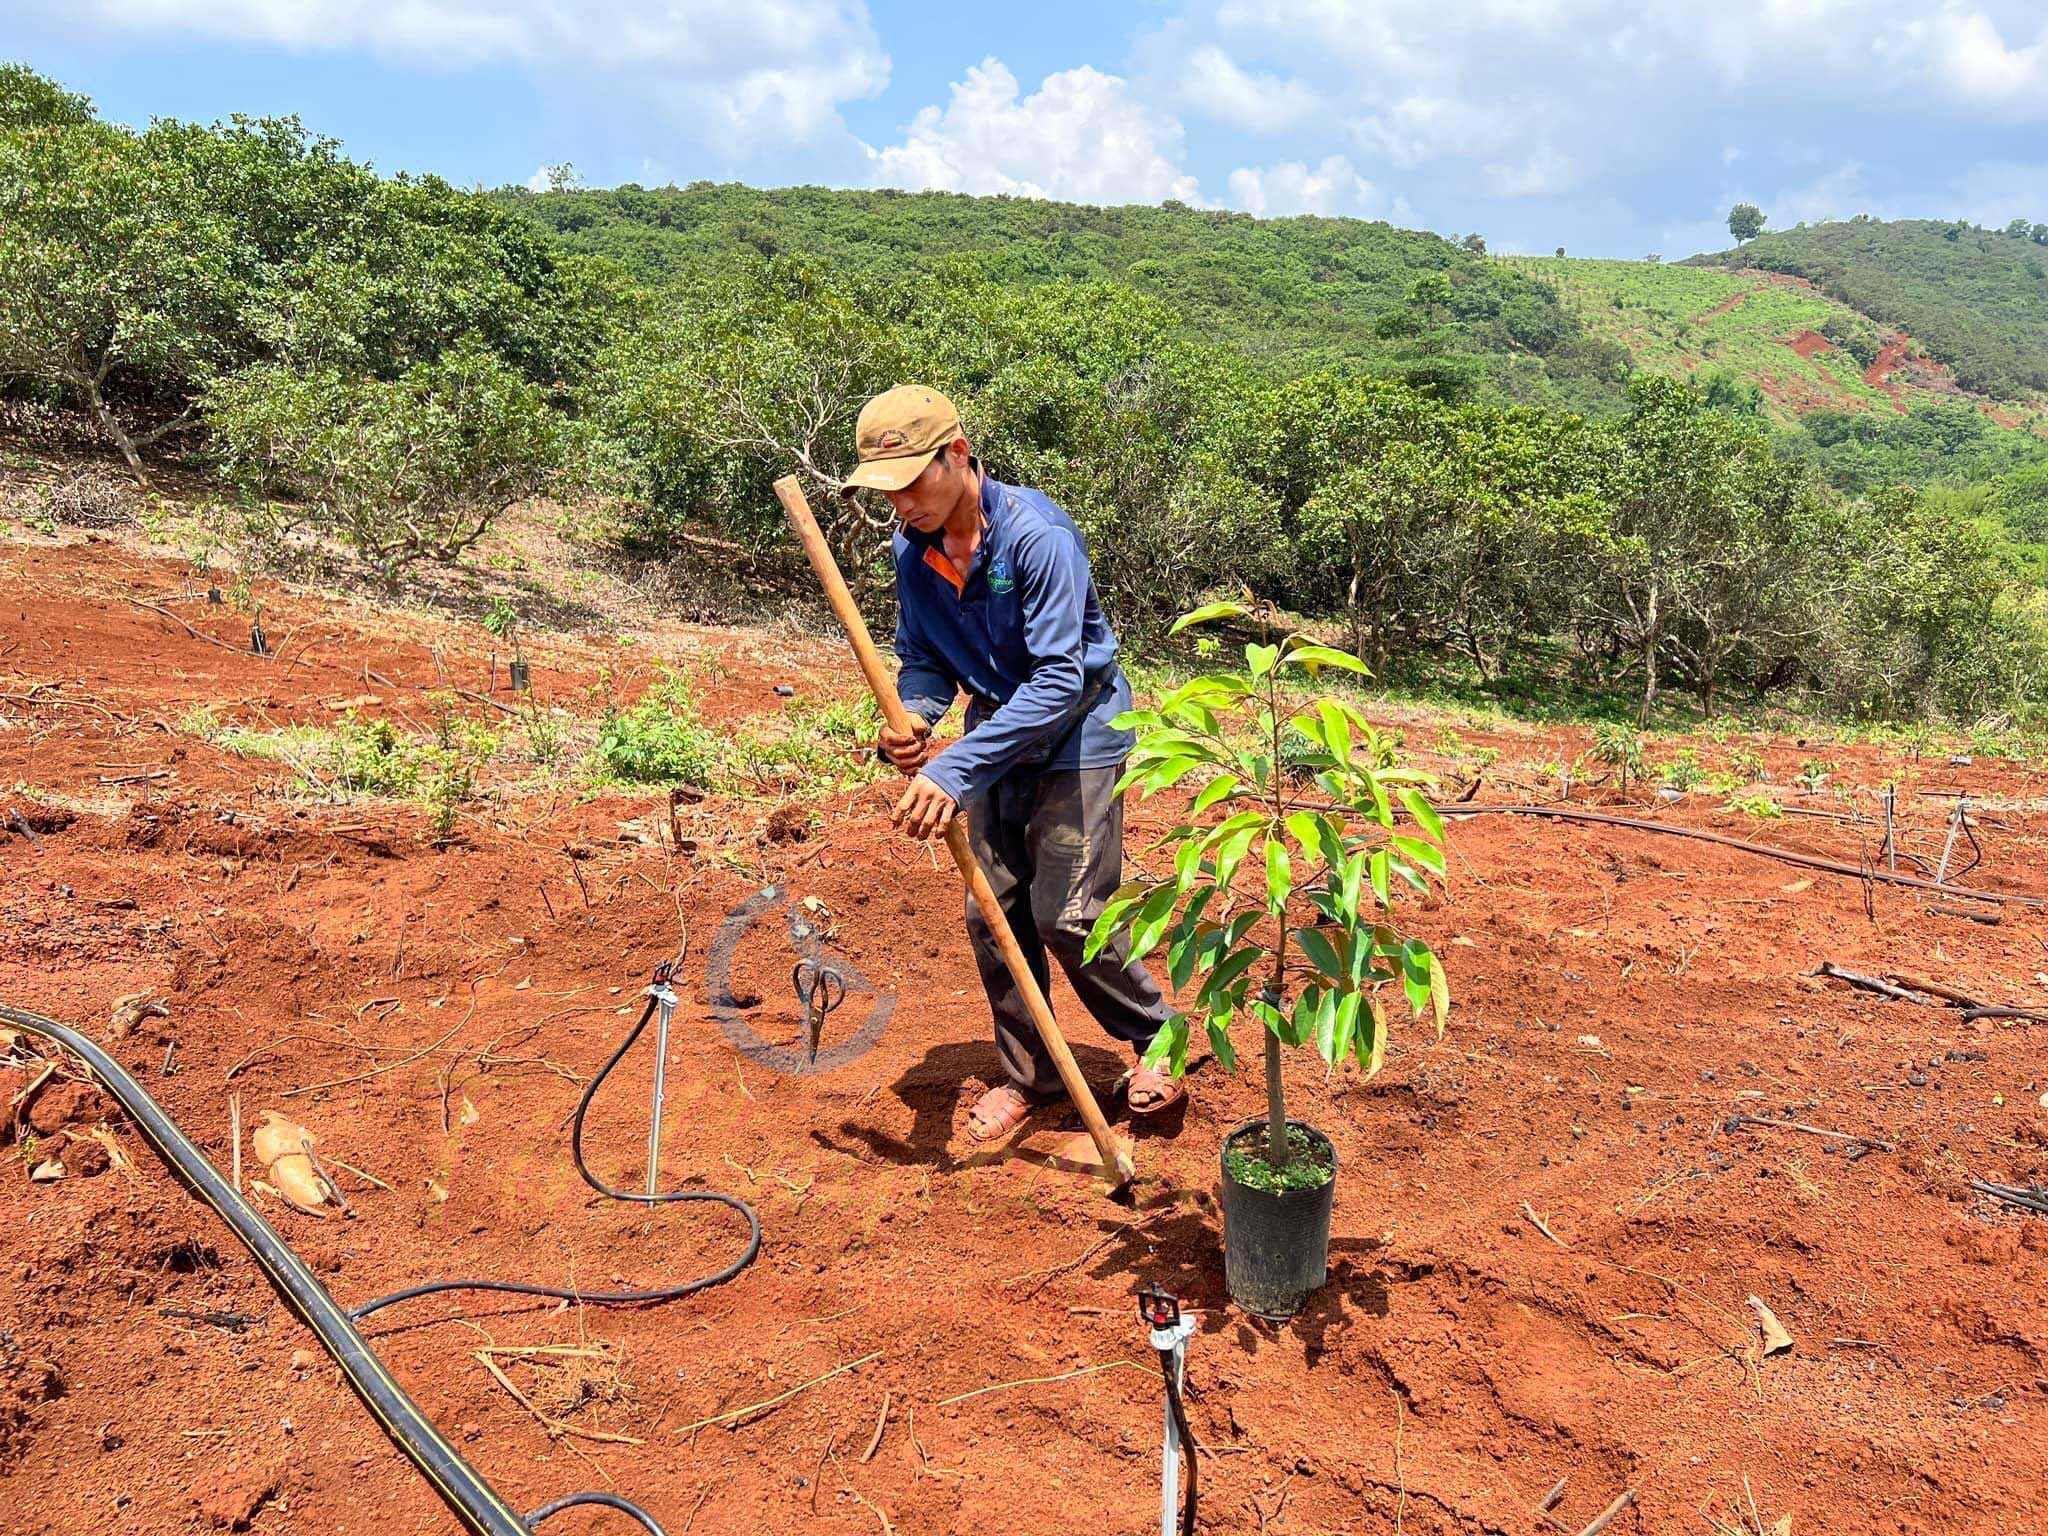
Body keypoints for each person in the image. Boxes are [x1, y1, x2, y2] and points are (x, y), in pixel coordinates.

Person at [840, 383, 1186, 1141]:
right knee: (992, 913)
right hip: (998, 729)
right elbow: (923, 655)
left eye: (910, 483)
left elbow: (1063, 677)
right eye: (886, 492)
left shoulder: (1038, 536)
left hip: (1080, 731)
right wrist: (919, 716)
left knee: (1067, 913)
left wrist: (953, 768)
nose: (900, 505)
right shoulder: (914, 550)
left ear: (957, 456)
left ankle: (1157, 1038)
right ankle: (1031, 1077)